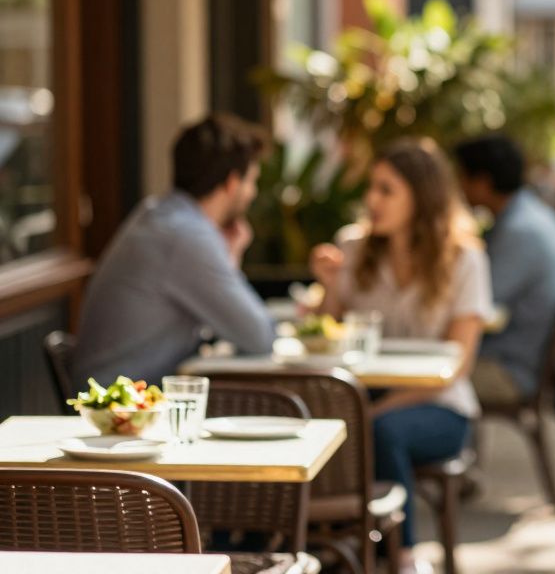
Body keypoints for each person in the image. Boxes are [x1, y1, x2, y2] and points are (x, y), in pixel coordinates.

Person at [309, 138, 492, 572]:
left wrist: (372, 412)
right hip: (364, 398)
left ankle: (402, 557)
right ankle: (329, 545)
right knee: (318, 426)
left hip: (440, 406)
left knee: (382, 432)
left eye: (386, 190)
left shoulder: (464, 259)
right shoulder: (352, 247)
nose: (372, 200)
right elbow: (325, 334)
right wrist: (329, 285)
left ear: (421, 197)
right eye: (371, 188)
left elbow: (457, 366)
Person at [72, 114, 274, 386]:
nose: (253, 193)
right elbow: (259, 336)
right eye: (251, 181)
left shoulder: (161, 215)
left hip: (121, 391)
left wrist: (228, 256)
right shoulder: (186, 236)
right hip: (120, 402)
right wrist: (230, 257)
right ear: (232, 183)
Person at [452, 134, 555, 405]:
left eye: (461, 177)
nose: (457, 186)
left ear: (482, 182)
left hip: (509, 367)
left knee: (416, 383)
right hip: (520, 358)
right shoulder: (528, 215)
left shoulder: (520, 232)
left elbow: (478, 303)